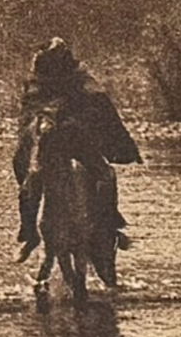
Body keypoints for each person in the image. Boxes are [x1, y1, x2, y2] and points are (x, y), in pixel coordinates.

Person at [13, 38, 140, 259]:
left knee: (106, 175)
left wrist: (81, 123)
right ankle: (29, 232)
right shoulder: (35, 82)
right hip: (49, 142)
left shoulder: (83, 80)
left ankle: (110, 223)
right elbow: (28, 112)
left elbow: (101, 107)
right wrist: (37, 126)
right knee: (31, 178)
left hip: (79, 140)